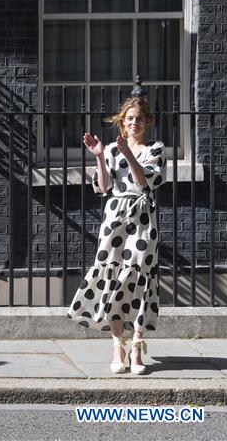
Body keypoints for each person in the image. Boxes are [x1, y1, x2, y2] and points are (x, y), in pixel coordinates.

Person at [68, 96, 166, 375]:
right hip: (115, 217)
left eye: (140, 119)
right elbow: (102, 187)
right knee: (112, 278)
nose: (134, 123)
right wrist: (100, 156)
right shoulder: (111, 149)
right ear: (122, 121)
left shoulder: (155, 150)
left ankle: (137, 346)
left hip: (143, 216)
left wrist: (128, 154)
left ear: (147, 123)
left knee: (140, 278)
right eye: (130, 118)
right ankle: (117, 345)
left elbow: (143, 181)